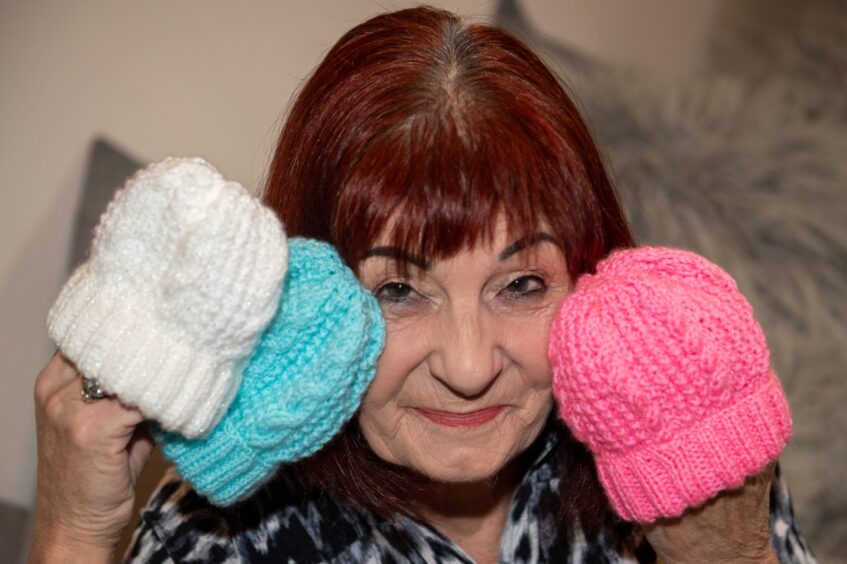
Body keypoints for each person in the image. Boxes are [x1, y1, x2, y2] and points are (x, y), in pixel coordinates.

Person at [30, 6, 816, 563]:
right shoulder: (225, 534)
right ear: (302, 297)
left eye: (520, 286)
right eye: (399, 291)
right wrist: (71, 532)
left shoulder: (681, 440)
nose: (469, 368)